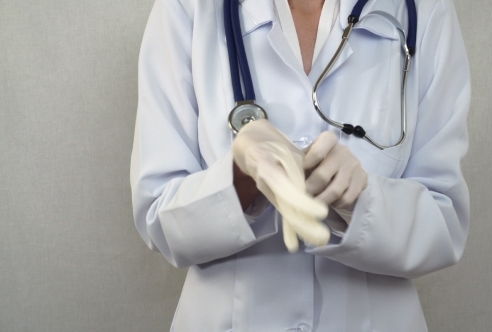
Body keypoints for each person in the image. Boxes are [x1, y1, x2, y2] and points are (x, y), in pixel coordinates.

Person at [130, 0, 471, 330]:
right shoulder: (187, 7)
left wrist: (360, 202)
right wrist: (240, 181)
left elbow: (445, 221)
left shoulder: (423, 8)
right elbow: (157, 214)